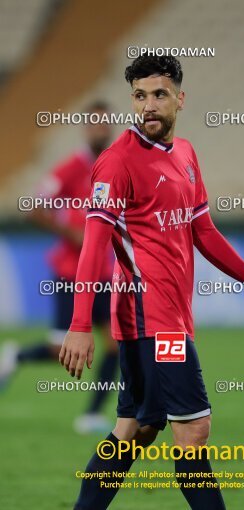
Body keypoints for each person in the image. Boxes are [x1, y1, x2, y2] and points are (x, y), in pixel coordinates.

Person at [59, 56, 244, 509]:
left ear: (179, 100)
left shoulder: (184, 155)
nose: (148, 106)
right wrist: (81, 324)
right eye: (140, 96)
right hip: (152, 320)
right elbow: (92, 247)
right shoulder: (116, 163)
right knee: (194, 432)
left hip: (168, 316)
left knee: (136, 430)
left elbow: (203, 230)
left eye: (159, 94)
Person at [0, 100, 119, 434]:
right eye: (94, 125)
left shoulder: (113, 166)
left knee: (114, 343)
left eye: (104, 124)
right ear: (86, 129)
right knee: (62, 351)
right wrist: (71, 233)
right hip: (71, 272)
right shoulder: (70, 169)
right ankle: (17, 357)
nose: (100, 130)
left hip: (105, 273)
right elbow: (35, 208)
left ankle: (93, 414)